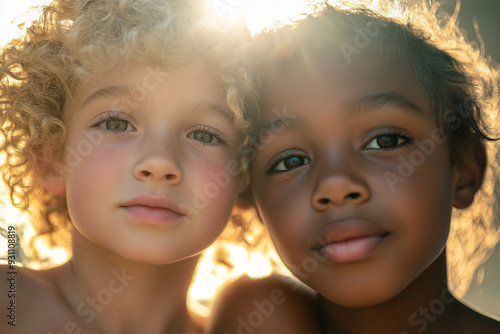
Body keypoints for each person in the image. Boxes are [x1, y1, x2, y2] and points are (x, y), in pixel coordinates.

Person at [208, 1, 500, 333]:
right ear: (250, 201)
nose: (335, 184)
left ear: (463, 169)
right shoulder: (257, 318)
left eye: (385, 141)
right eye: (291, 161)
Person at [0, 0, 256, 332]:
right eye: (117, 124)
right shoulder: (11, 305)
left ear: (245, 178)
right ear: (51, 158)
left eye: (204, 135)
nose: (160, 162)